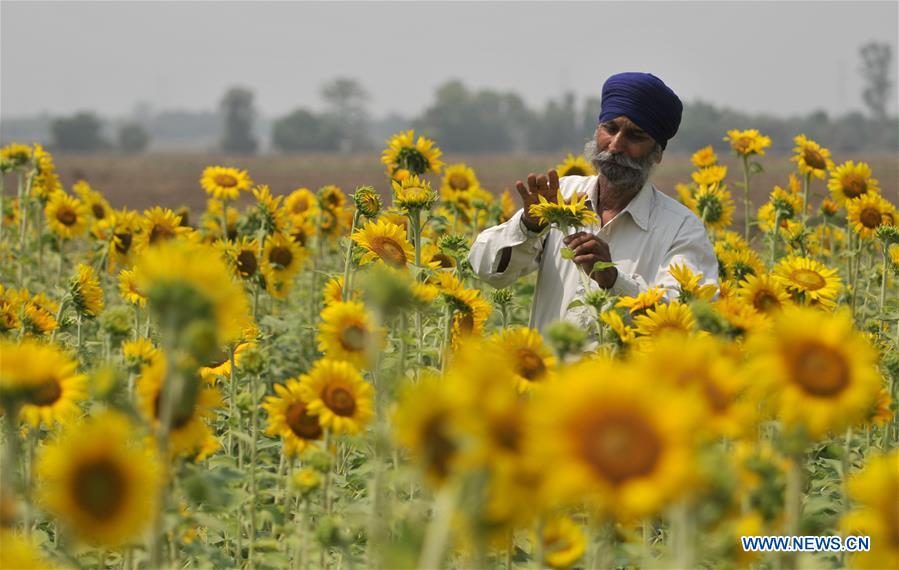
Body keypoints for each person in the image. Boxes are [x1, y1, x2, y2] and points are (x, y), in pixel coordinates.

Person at [468, 72, 719, 335]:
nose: (616, 144)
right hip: (549, 373)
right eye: (610, 128)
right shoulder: (562, 198)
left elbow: (686, 321)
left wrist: (613, 279)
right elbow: (486, 269)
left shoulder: (680, 229)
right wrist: (528, 226)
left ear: (657, 154)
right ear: (597, 130)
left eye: (635, 136)